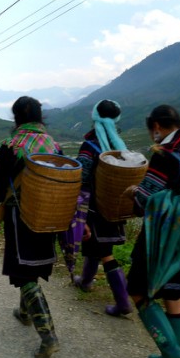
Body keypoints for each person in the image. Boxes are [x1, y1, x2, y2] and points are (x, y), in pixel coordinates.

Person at [124, 104, 180, 358]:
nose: (152, 137)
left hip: (162, 240)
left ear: (157, 127)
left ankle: (172, 354)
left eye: (152, 132)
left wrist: (133, 193)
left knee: (137, 290)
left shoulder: (164, 154)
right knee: (173, 293)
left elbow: (146, 202)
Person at [0, 96, 61, 358]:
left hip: (21, 216)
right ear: (41, 117)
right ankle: (25, 313)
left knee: (23, 271)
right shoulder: (54, 146)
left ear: (15, 117)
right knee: (32, 264)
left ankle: (48, 336)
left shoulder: (11, 146)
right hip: (49, 215)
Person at [72, 99, 133, 317]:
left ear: (94, 116)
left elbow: (82, 175)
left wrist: (79, 207)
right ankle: (85, 280)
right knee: (97, 245)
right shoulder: (120, 147)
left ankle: (123, 300)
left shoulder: (91, 145)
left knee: (105, 252)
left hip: (94, 206)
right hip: (115, 206)